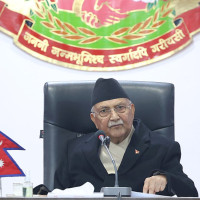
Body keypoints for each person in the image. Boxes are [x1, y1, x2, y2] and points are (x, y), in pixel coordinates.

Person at [54, 78, 198, 197]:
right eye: (104, 111)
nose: (115, 116)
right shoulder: (74, 150)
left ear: (132, 110)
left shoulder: (162, 147)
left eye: (120, 108)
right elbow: (54, 193)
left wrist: (166, 178)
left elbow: (190, 192)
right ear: (94, 119)